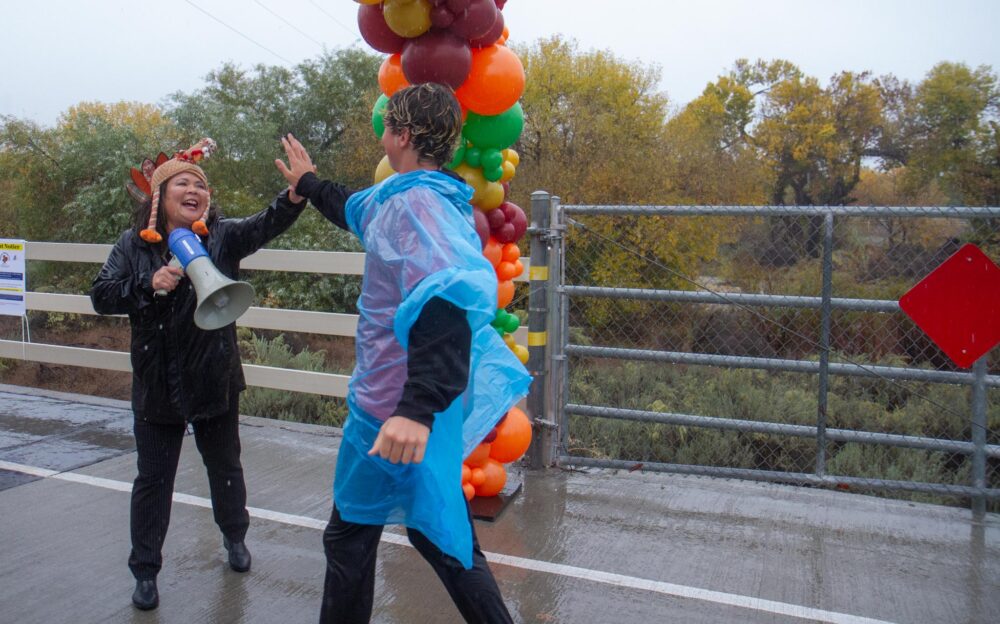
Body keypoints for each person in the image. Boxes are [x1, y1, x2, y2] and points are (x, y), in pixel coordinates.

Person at [275, 83, 530, 623]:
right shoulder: (419, 195)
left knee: (401, 538)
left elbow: (447, 302)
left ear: (403, 135)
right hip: (400, 408)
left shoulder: (414, 207)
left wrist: (416, 409)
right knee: (430, 535)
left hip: (393, 412)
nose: (383, 135)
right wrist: (309, 183)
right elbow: (352, 208)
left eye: (387, 126)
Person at [91, 138, 309, 611]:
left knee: (225, 469)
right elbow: (101, 295)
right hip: (155, 385)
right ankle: (145, 571)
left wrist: (294, 195)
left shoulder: (222, 236)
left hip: (214, 377)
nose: (193, 190)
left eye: (199, 185)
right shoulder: (132, 246)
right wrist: (147, 283)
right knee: (153, 482)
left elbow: (265, 225)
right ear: (159, 198)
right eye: (181, 184)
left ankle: (235, 536)